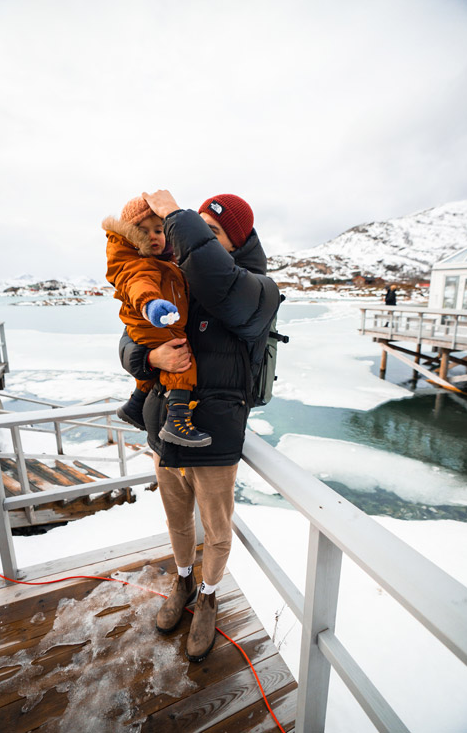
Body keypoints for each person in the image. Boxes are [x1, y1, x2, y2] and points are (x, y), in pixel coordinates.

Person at [120, 190, 280, 662]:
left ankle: (209, 596)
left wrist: (177, 215)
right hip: (163, 433)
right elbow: (129, 337)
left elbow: (220, 285)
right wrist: (149, 355)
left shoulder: (257, 290)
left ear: (236, 242)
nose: (189, 244)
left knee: (216, 528)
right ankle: (185, 582)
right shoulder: (175, 280)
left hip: (214, 437)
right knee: (177, 523)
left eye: (210, 235)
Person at [103, 196, 211, 447]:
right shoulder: (140, 264)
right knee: (182, 362)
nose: (152, 236)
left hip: (153, 323)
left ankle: (135, 404)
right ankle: (177, 420)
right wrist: (151, 305)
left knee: (164, 364)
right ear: (130, 234)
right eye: (143, 231)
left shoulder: (163, 262)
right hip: (154, 321)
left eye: (158, 230)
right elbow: (140, 285)